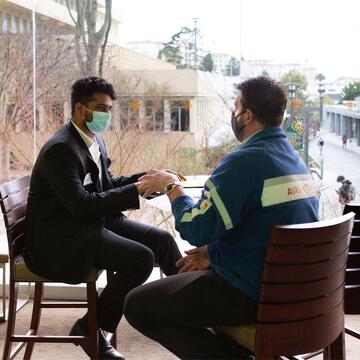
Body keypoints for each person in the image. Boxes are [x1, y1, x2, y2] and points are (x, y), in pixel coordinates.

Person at [123, 76, 319, 359]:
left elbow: (196, 227)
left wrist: (171, 186)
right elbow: (267, 231)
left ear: (247, 115)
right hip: (301, 291)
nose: (233, 113)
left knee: (138, 305)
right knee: (191, 284)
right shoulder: (295, 160)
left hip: (256, 294)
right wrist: (215, 254)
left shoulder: (244, 161)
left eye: (236, 106)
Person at [24, 76, 183, 359]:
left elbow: (105, 185)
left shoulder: (92, 141)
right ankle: (91, 330)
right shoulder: (60, 149)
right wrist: (136, 190)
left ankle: (189, 308)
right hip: (62, 238)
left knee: (163, 240)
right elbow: (80, 205)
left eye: (109, 109)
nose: (106, 115)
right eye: (100, 108)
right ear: (78, 109)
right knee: (141, 259)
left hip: (88, 223)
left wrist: (151, 178)